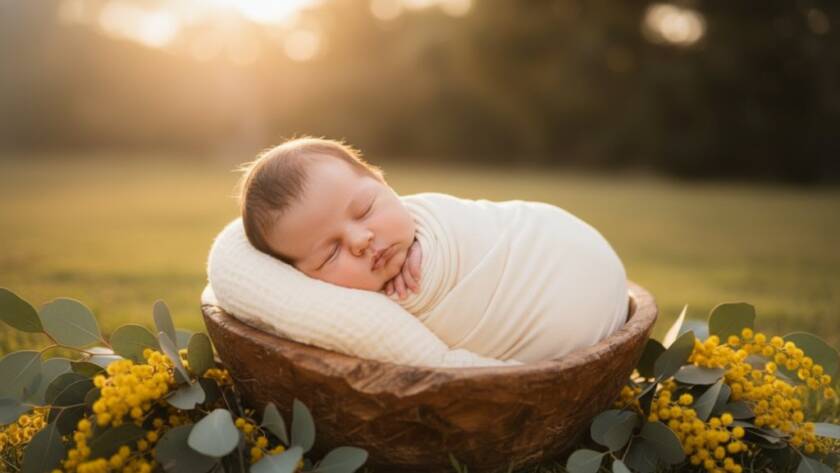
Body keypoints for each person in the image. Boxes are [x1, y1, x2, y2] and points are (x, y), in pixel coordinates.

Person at [235, 136, 629, 363]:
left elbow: (465, 226)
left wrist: (438, 246)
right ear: (302, 277)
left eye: (365, 209)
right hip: (569, 335)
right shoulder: (352, 313)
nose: (360, 241)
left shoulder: (438, 217)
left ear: (386, 184)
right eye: (329, 254)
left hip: (565, 251)